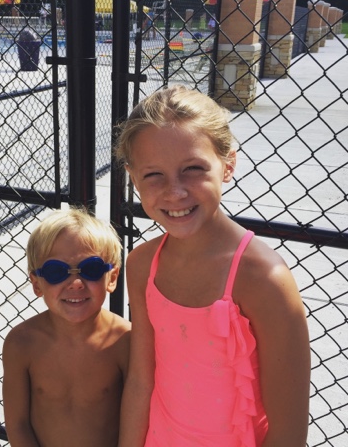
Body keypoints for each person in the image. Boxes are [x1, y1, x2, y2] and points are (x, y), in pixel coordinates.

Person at [115, 85, 310, 447]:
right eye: (153, 175)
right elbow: (141, 380)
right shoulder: (142, 265)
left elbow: (288, 432)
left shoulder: (264, 280)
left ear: (228, 165)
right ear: (133, 177)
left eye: (192, 169)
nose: (175, 191)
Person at [2, 208, 131, 447]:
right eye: (56, 272)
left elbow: (136, 422)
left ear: (112, 277)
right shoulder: (21, 343)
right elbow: (17, 424)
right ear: (37, 284)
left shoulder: (125, 341)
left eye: (91, 269)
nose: (76, 283)